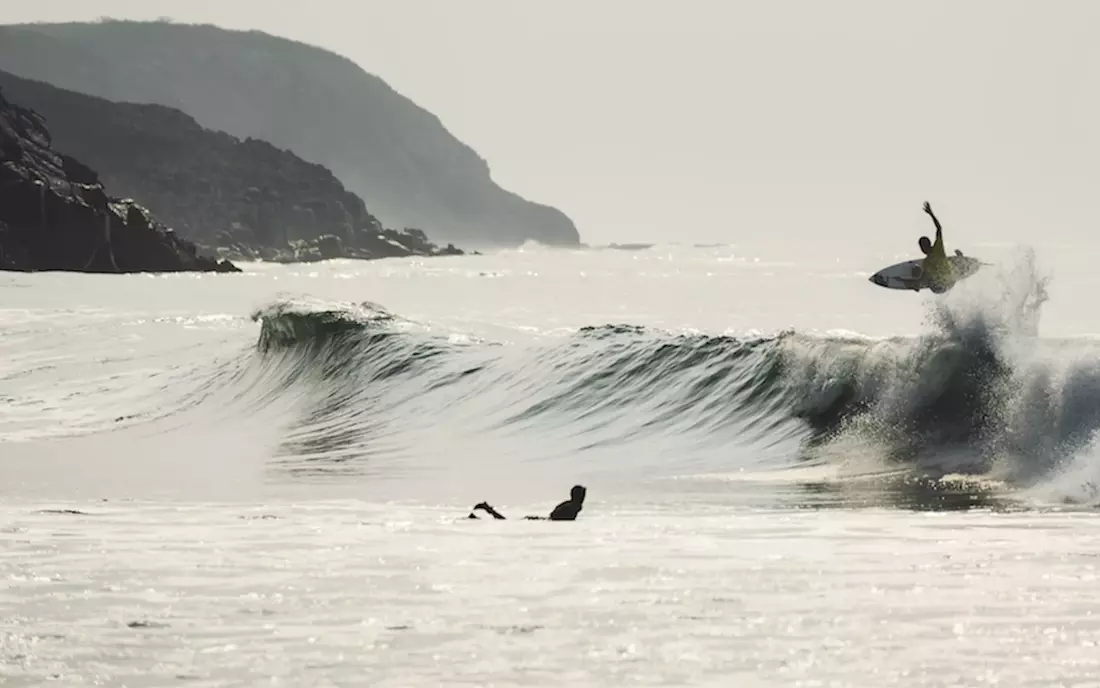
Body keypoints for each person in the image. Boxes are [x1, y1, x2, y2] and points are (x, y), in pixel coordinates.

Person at [468, 485, 587, 521]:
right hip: (544, 521)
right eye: (583, 495)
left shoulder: (569, 504)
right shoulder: (574, 506)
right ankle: (487, 509)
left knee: (507, 521)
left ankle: (485, 511)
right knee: (506, 521)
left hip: (544, 520)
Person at [912, 201, 956, 294]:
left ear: (928, 245)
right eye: (921, 247)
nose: (922, 249)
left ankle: (916, 281)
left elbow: (939, 228)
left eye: (923, 246)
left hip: (938, 287)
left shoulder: (936, 250)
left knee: (918, 270)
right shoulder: (935, 251)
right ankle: (958, 259)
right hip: (950, 282)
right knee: (947, 265)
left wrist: (931, 214)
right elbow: (939, 229)